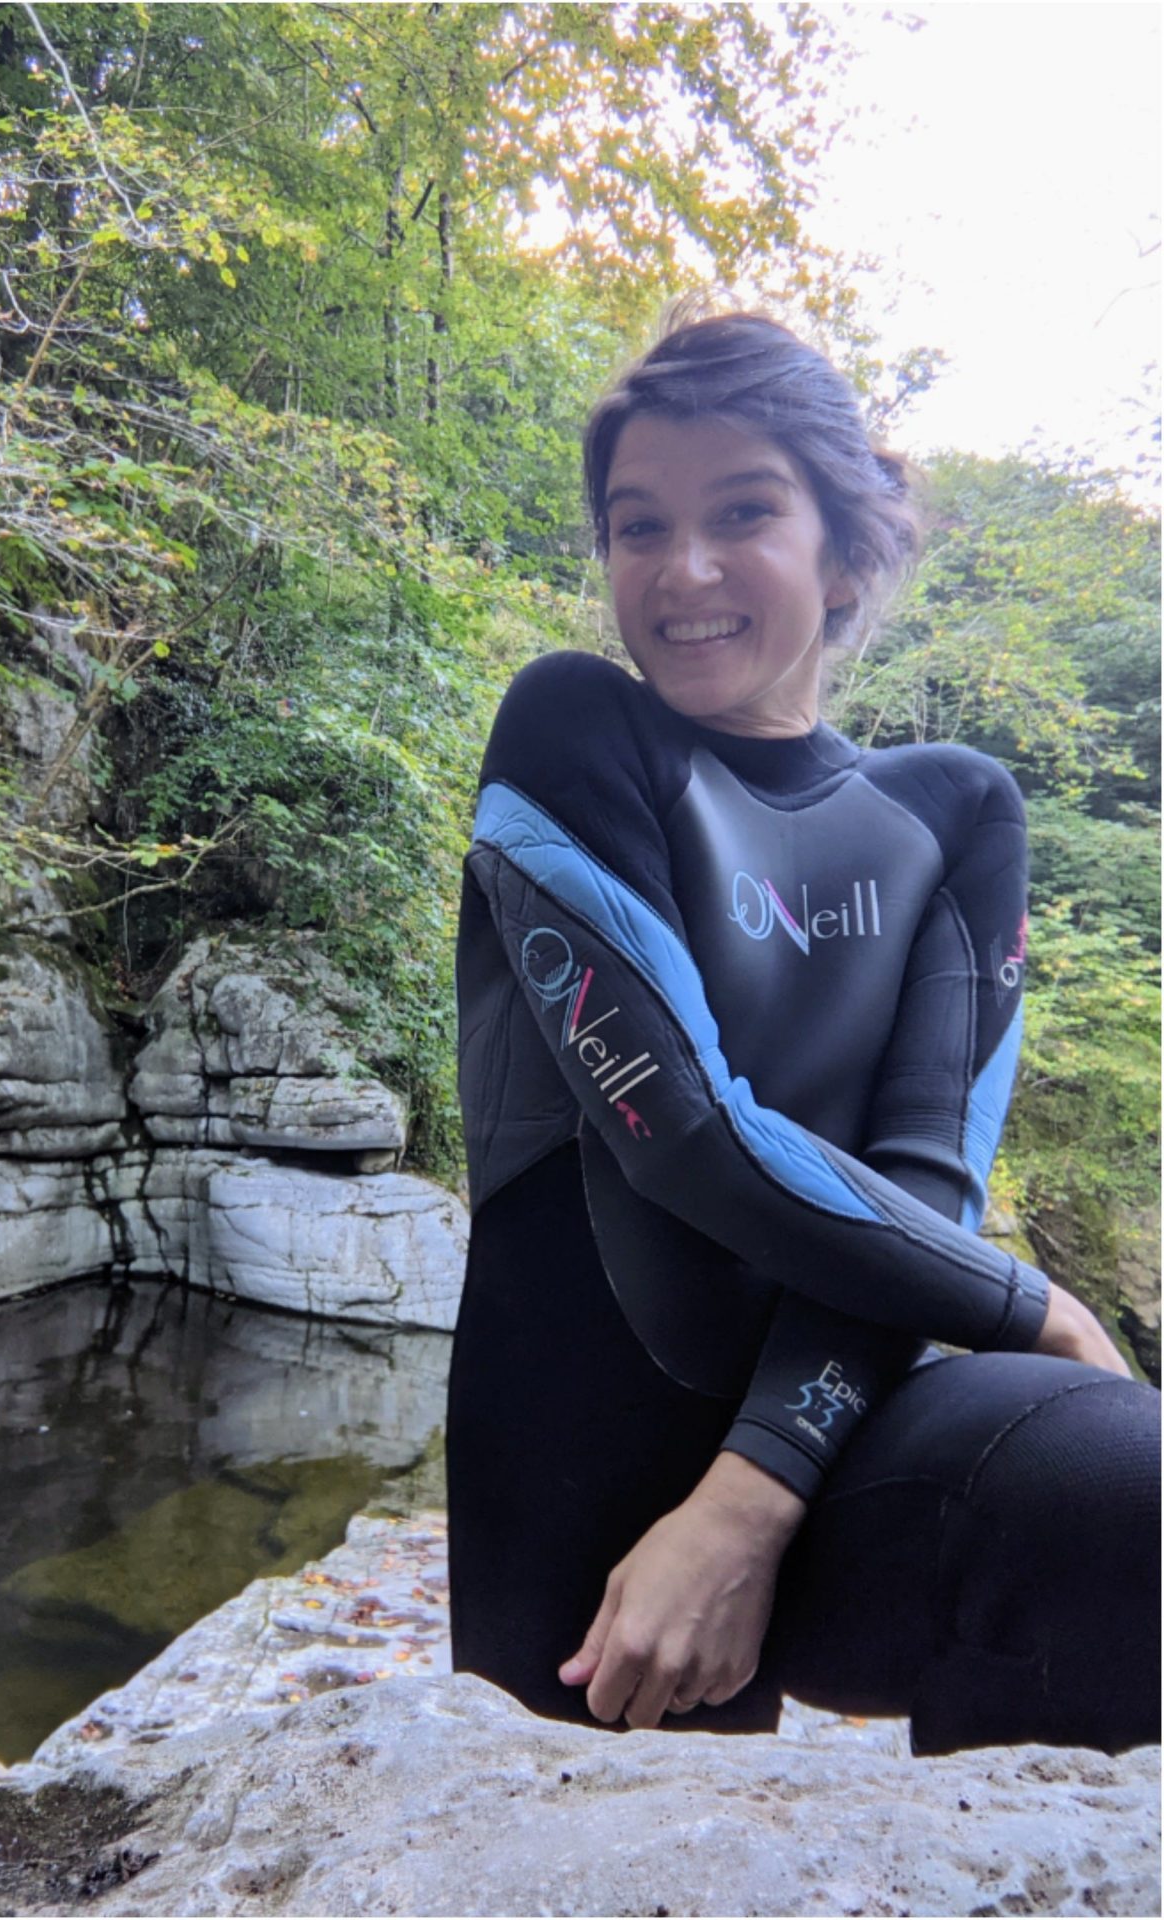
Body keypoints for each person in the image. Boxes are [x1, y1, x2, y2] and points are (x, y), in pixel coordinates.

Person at [447, 310, 1158, 1756]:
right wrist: (1031, 1303)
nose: (682, 569)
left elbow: (922, 1187)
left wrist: (748, 1499)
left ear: (847, 551)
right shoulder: (572, 732)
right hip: (574, 1479)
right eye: (638, 526)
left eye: (743, 513)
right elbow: (684, 1131)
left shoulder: (954, 813)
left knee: (1126, 1498)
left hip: (832, 1453)